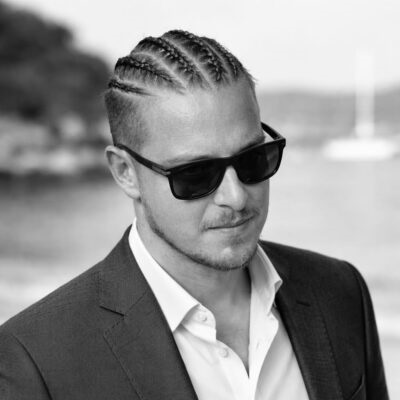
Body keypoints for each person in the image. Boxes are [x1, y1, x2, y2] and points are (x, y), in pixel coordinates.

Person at [0, 30, 388, 400]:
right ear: (125, 173)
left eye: (253, 159)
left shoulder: (340, 291)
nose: (235, 197)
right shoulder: (35, 362)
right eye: (196, 174)